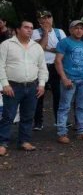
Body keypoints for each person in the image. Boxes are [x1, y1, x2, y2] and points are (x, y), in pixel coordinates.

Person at [0, 21, 48, 156]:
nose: (29, 30)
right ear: (17, 29)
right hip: (12, 86)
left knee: (28, 116)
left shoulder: (36, 47)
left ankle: (24, 141)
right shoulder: (6, 45)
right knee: (8, 116)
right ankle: (2, 143)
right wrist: (5, 84)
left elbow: (42, 67)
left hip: (32, 86)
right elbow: (0, 65)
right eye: (26, 27)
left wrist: (42, 84)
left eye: (31, 28)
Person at [55, 20, 83, 144]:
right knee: (64, 107)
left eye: (81, 28)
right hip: (70, 79)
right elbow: (58, 61)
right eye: (76, 28)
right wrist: (64, 78)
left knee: (82, 106)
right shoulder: (64, 42)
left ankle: (82, 132)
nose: (79, 30)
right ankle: (62, 133)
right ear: (70, 29)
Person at [33, 10, 64, 131]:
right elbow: (40, 48)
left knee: (58, 94)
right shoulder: (35, 32)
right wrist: (45, 33)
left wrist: (49, 48)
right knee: (39, 94)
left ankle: (59, 121)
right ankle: (38, 123)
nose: (46, 20)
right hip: (41, 67)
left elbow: (63, 48)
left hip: (56, 66)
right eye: (43, 18)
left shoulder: (59, 32)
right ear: (39, 21)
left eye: (48, 17)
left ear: (52, 18)